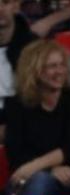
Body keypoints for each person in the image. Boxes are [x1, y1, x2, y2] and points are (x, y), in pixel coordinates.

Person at [5, 40, 70, 195]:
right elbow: (16, 153)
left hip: (67, 181)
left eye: (62, 65)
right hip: (23, 181)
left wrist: (36, 166)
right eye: (51, 66)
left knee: (42, 181)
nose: (59, 71)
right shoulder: (17, 105)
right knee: (41, 180)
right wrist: (51, 169)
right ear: (33, 70)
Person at [0, 0, 36, 131]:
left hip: (21, 122)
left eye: (5, 2)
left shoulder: (34, 47)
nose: (0, 9)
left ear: (16, 6)